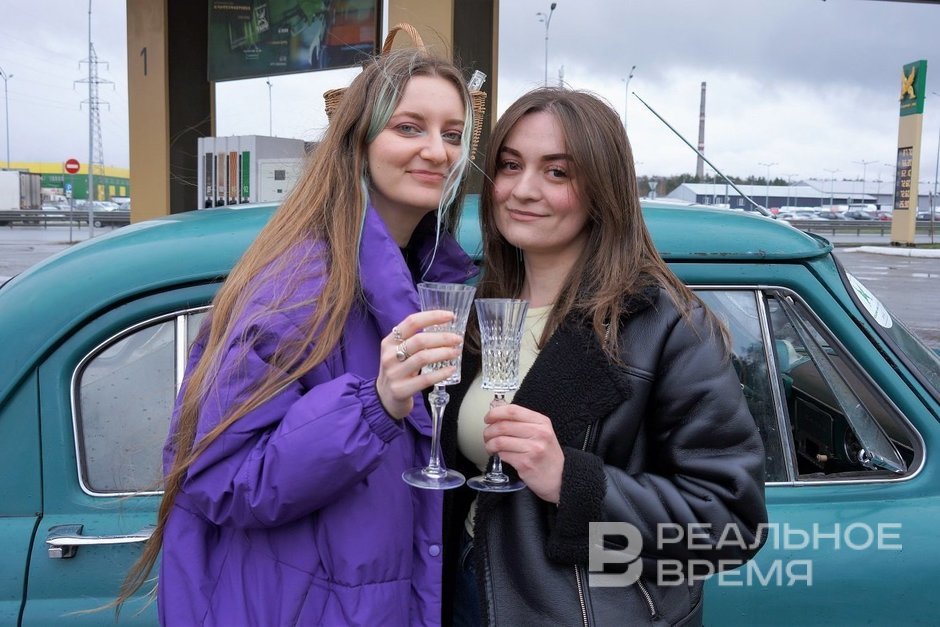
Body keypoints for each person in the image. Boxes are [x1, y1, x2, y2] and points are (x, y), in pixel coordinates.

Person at [116, 48, 480, 625]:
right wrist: (373, 406)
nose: (438, 151)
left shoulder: (427, 276)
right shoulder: (300, 286)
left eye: (453, 134)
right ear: (357, 140)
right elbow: (222, 477)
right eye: (409, 128)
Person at [441, 88, 767, 626]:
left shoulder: (665, 325)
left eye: (557, 172)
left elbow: (732, 524)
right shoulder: (481, 309)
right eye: (510, 165)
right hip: (467, 593)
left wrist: (574, 482)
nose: (523, 190)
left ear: (601, 190)